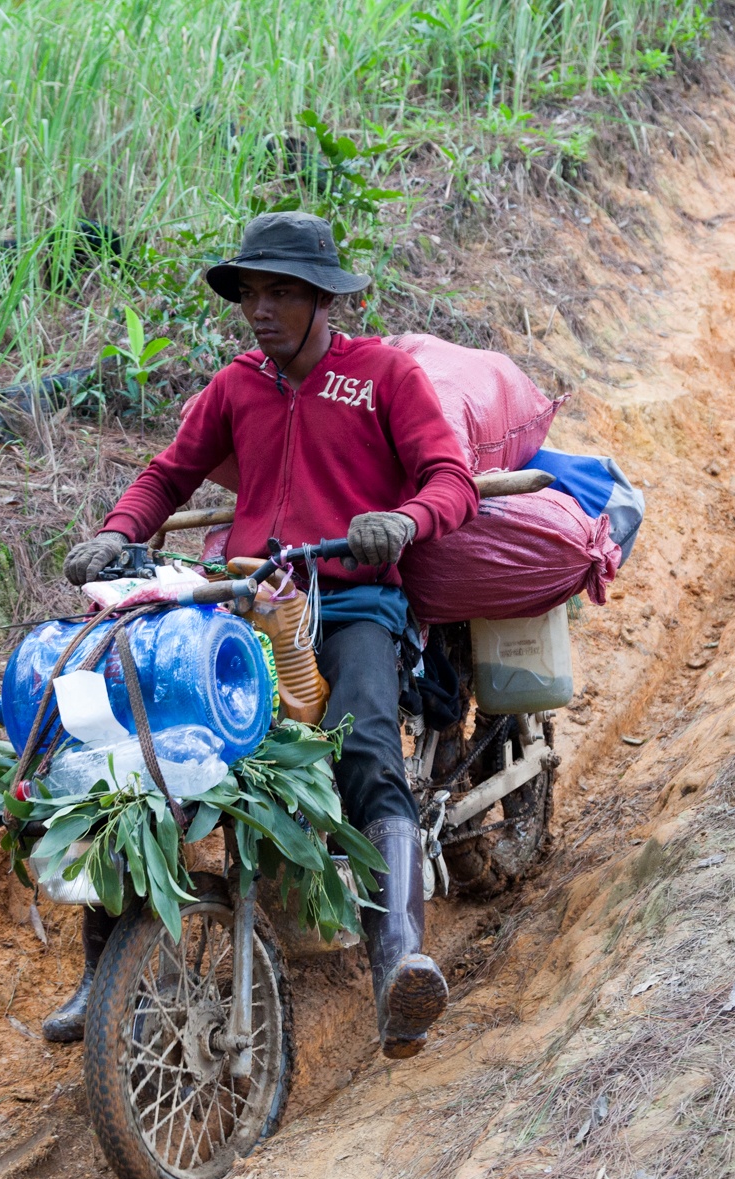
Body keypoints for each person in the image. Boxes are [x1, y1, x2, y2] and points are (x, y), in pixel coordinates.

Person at [41, 210, 478, 1059]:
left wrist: (403, 520)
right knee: (135, 749)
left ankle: (399, 962)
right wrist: (118, 532)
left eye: (281, 293)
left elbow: (450, 478)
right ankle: (105, 971)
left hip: (350, 604)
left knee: (363, 746)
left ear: (323, 299)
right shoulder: (237, 385)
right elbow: (168, 474)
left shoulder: (382, 376)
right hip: (240, 604)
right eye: (250, 293)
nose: (260, 310)